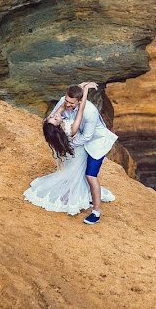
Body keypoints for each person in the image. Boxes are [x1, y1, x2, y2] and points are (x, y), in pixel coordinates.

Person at [23, 82, 117, 221]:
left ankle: (96, 212)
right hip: (74, 142)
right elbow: (53, 117)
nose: (67, 105)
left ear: (79, 102)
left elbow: (87, 136)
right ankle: (83, 195)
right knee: (73, 172)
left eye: (71, 103)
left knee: (90, 176)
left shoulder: (89, 112)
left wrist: (69, 143)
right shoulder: (65, 103)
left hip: (95, 143)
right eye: (66, 101)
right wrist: (81, 89)